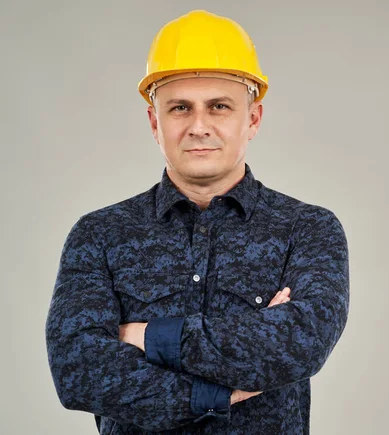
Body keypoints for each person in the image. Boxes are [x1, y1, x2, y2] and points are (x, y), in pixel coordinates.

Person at [45, 9, 349, 435]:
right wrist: (219, 391)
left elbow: (299, 345)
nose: (199, 126)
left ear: (253, 119)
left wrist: (144, 337)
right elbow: (77, 370)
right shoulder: (99, 235)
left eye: (219, 107)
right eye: (180, 108)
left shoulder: (308, 230)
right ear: (156, 122)